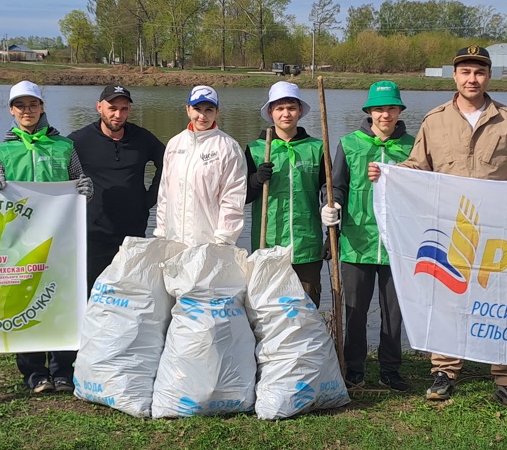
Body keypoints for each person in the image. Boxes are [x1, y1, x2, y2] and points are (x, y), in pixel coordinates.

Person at [369, 45, 507, 409]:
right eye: (465, 71)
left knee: (500, 300)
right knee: (447, 299)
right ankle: (445, 371)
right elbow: (419, 166)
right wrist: (388, 174)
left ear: (488, 76)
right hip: (448, 227)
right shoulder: (434, 120)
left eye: (479, 72)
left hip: (497, 230)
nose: (472, 78)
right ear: (455, 76)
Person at [0, 80, 93, 394]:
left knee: (61, 302)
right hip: (19, 241)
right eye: (20, 106)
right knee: (23, 304)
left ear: (42, 107)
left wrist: (87, 189)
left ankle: (62, 370)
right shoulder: (1, 151)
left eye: (33, 105)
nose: (27, 111)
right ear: (11, 110)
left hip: (59, 239)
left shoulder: (65, 147)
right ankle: (34, 373)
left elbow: (79, 185)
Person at [323, 81, 414, 392]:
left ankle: (391, 369)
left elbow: (423, 190)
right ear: (369, 112)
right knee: (356, 311)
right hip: (356, 241)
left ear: (400, 110)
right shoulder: (349, 144)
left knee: (394, 312)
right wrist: (330, 204)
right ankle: (355, 367)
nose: (385, 114)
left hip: (397, 244)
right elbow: (337, 185)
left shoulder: (413, 146)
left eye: (391, 107)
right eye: (379, 108)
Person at [68, 83, 165, 288]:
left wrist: (150, 198)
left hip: (133, 232)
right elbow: (58, 173)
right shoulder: (79, 140)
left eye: (124, 109)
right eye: (112, 108)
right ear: (99, 107)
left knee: (131, 290)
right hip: (93, 233)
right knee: (92, 292)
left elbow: (168, 162)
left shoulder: (142, 138)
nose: (118, 115)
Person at [245, 81, 324, 306]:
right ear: (270, 112)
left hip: (306, 246)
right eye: (279, 108)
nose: (286, 114)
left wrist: (332, 233)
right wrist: (256, 180)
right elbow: (244, 197)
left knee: (306, 309)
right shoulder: (256, 149)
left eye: (291, 107)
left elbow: (329, 193)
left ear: (300, 111)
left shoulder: (317, 148)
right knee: (267, 309)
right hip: (267, 244)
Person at [154, 85, 246, 246]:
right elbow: (164, 193)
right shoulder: (174, 144)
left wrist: (224, 239)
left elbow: (233, 198)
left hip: (208, 244)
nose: (202, 116)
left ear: (217, 112)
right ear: (188, 110)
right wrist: (162, 232)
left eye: (209, 109)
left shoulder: (228, 147)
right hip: (173, 239)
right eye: (197, 109)